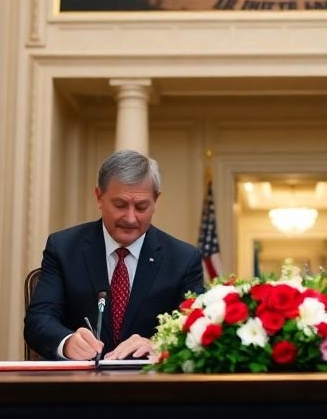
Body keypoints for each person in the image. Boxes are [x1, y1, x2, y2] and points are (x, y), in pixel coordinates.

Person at [24, 149, 205, 360]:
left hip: (152, 386)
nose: (130, 218)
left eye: (141, 206)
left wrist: (159, 345)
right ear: (99, 197)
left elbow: (199, 330)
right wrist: (67, 342)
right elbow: (39, 320)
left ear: (156, 200)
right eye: (120, 205)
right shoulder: (64, 248)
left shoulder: (183, 259)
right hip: (78, 386)